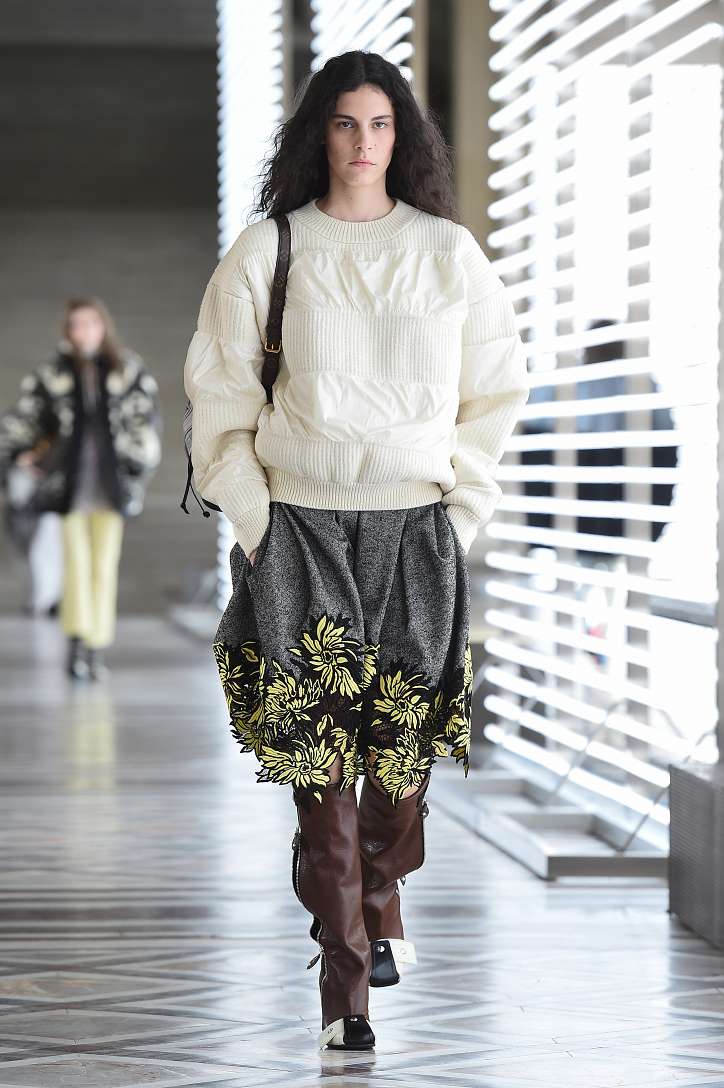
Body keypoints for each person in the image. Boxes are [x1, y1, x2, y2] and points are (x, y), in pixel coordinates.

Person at [183, 51, 530, 1052]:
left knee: (400, 764)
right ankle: (346, 992)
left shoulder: (447, 253)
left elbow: (493, 392)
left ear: (402, 136)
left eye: (380, 124)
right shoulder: (269, 249)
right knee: (321, 768)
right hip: (301, 527)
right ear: (318, 134)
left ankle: (378, 899)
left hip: (417, 530)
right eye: (344, 122)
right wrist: (259, 522)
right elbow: (219, 397)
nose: (362, 142)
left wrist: (459, 515)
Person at [0, 297, 162, 679]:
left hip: (110, 485)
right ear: (68, 330)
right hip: (70, 486)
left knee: (104, 566)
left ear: (103, 326)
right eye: (76, 324)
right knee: (76, 565)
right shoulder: (52, 373)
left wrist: (139, 463)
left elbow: (145, 423)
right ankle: (76, 643)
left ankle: (95, 647)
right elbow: (26, 416)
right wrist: (21, 452)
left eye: (90, 323)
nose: (83, 331)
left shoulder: (128, 370)